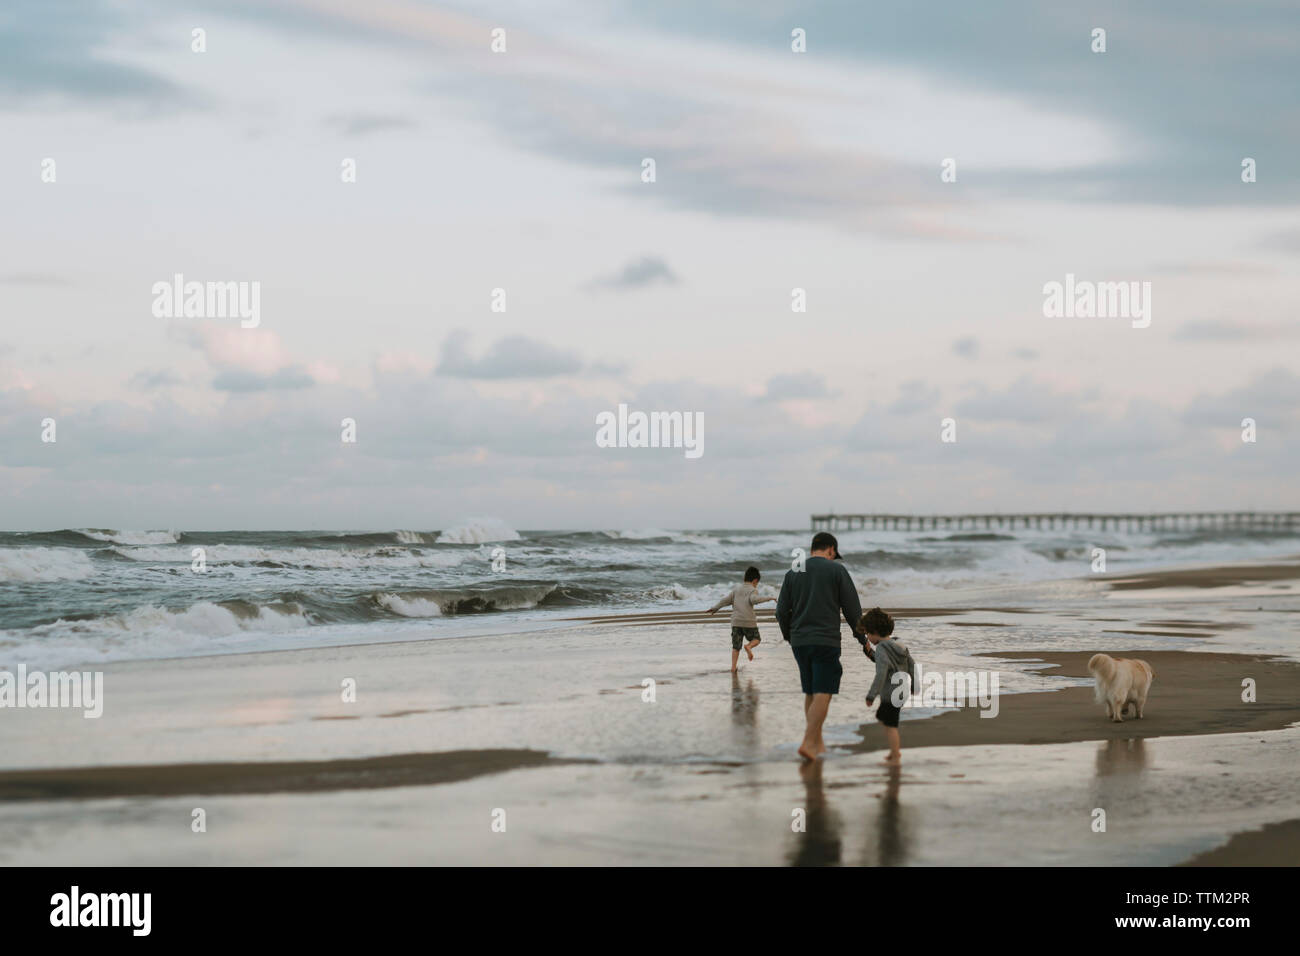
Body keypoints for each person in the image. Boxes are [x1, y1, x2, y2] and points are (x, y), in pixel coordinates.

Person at [776, 532, 865, 761]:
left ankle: (818, 743)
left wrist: (790, 636)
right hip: (825, 640)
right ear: (831, 550)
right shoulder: (837, 571)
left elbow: (781, 611)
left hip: (799, 641)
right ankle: (807, 741)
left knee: (811, 691)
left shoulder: (794, 571)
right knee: (823, 692)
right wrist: (863, 640)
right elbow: (852, 611)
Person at [862, 607, 915, 766]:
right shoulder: (899, 643)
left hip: (891, 692)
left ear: (875, 632)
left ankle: (895, 755)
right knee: (884, 718)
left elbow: (881, 673)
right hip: (902, 690)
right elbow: (911, 664)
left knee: (890, 725)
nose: (868, 637)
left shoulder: (882, 650)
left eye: (868, 634)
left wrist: (871, 695)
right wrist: (914, 685)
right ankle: (894, 752)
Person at [708, 566, 775, 673]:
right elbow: (754, 600)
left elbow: (725, 600)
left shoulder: (736, 590)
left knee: (736, 647)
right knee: (757, 639)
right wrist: (769, 598)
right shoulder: (753, 590)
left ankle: (733, 668)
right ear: (755, 580)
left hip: (736, 622)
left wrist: (715, 608)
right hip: (749, 622)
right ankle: (749, 646)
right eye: (757, 583)